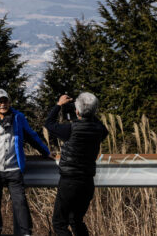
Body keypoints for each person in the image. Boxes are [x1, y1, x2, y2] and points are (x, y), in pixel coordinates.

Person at [0, 89, 51, 236]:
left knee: (20, 203)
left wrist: (46, 152)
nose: (2, 104)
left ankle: (25, 233)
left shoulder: (18, 118)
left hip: (14, 169)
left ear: (9, 102)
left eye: (5, 101)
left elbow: (31, 136)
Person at [45, 93, 108, 236]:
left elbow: (49, 123)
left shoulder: (70, 129)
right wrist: (89, 112)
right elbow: (101, 127)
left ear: (77, 111)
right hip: (87, 182)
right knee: (76, 220)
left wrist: (59, 105)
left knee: (59, 224)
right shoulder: (99, 130)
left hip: (69, 181)